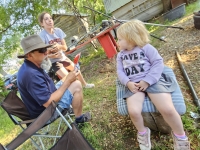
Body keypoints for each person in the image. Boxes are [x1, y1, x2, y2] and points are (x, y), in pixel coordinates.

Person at [116, 20, 190, 150]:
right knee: (133, 111)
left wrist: (148, 80)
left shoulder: (146, 48)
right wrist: (128, 83)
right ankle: (143, 132)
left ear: (131, 38)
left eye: (120, 39)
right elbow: (120, 72)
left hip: (152, 80)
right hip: (135, 84)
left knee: (167, 109)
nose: (118, 42)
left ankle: (180, 136)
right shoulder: (120, 55)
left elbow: (158, 63)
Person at [17, 34, 91, 124]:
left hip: (47, 102)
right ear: (29, 55)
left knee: (71, 79)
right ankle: (79, 120)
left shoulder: (31, 66)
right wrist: (67, 81)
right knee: (76, 85)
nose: (46, 52)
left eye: (45, 49)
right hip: (46, 114)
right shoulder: (30, 74)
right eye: (42, 50)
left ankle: (72, 110)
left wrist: (68, 78)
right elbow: (48, 102)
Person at [38, 12, 94, 88]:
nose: (50, 20)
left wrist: (59, 46)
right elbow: (42, 54)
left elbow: (65, 47)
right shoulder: (42, 36)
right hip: (54, 62)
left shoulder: (58, 31)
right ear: (42, 23)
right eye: (46, 19)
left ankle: (85, 85)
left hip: (62, 57)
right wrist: (52, 55)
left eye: (50, 18)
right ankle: (74, 91)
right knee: (68, 78)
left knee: (76, 70)